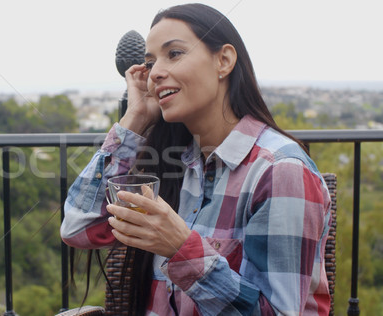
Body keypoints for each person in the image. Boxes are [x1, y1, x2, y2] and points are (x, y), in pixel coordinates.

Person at [60, 3, 332, 316]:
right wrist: (134, 118)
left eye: (174, 53)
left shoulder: (280, 171)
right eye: (150, 62)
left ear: (224, 60)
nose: (156, 72)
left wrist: (181, 249)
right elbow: (78, 228)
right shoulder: (181, 164)